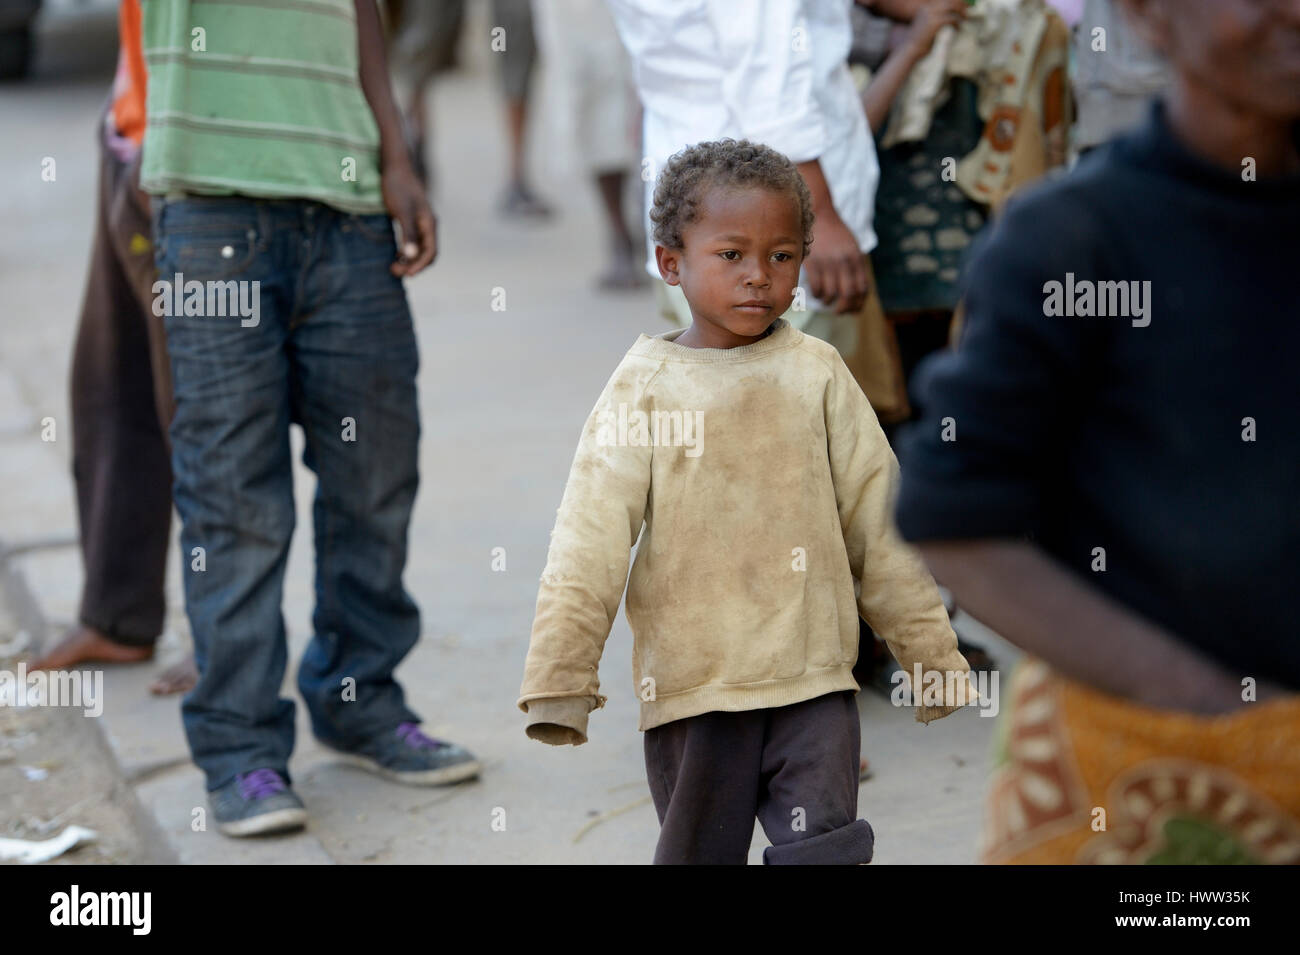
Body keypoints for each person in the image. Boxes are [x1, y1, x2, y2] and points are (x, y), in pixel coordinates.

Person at [894, 0, 1300, 864]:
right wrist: (1217, 708)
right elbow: (956, 522)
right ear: (1149, 15)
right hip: (1138, 781)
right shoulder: (1074, 241)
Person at [517, 139, 979, 864]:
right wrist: (559, 679)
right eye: (730, 255)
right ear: (672, 263)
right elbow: (588, 543)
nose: (759, 277)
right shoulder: (643, 388)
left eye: (782, 256)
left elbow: (879, 523)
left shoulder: (817, 371)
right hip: (697, 689)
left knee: (826, 850)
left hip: (815, 680)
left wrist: (929, 653)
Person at [139, 0, 479, 838]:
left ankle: (359, 700)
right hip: (212, 211)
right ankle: (241, 748)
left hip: (349, 209)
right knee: (234, 501)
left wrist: (395, 152)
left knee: (376, 474)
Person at [31, 0, 197, 697]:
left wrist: (167, 140)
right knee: (112, 380)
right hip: (131, 130)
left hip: (182, 152)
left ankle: (227, 633)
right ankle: (118, 613)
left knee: (197, 407)